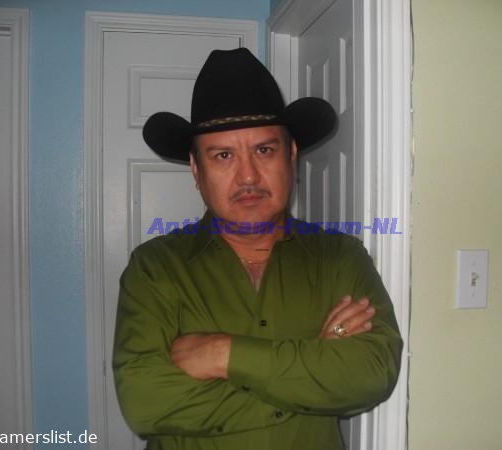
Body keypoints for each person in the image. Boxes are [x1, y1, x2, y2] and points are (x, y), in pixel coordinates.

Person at [112, 47, 402, 450]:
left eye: (264, 150)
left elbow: (371, 373)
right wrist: (312, 375)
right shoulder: (155, 268)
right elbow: (144, 402)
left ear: (291, 155)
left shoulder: (341, 257)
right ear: (196, 170)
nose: (247, 176)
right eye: (223, 155)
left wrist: (222, 353)